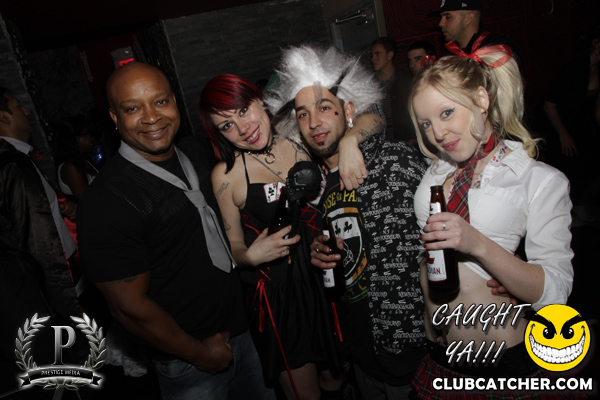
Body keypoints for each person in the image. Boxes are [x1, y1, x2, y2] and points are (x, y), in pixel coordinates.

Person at [77, 63, 274, 400]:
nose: (152, 117)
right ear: (114, 117)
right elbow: (128, 307)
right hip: (188, 360)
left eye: (160, 101)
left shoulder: (199, 152)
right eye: (133, 108)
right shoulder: (105, 200)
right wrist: (199, 353)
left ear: (174, 101)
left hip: (247, 331)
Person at [198, 73, 384, 400]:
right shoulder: (226, 176)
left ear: (260, 100)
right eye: (226, 125)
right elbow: (234, 247)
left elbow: (374, 118)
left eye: (243, 110)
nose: (242, 128)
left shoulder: (300, 134)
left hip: (326, 277)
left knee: (339, 378)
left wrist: (349, 142)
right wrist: (249, 257)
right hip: (279, 297)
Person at [408, 40, 575, 398]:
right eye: (426, 123)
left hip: (501, 366)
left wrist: (479, 245)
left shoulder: (536, 179)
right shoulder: (436, 171)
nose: (437, 134)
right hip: (438, 356)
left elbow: (555, 293)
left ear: (481, 99)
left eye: (447, 113)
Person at [268, 45, 429, 400]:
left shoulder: (393, 161)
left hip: (411, 352)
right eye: (303, 114)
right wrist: (317, 252)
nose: (314, 123)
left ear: (349, 111)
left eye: (325, 108)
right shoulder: (319, 186)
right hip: (360, 353)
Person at [0, 86, 82, 396]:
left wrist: (60, 209)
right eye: (17, 106)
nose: (26, 111)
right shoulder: (12, 164)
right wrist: (61, 301)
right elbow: (33, 242)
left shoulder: (18, 158)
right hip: (53, 284)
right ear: (3, 116)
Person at [542, 25, 600, 224]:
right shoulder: (573, 68)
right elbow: (549, 104)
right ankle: (567, 215)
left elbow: (597, 108)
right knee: (568, 167)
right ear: (596, 45)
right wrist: (563, 134)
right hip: (559, 127)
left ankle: (581, 207)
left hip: (581, 127)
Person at [371, 37, 416, 145]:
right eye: (372, 55)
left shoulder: (406, 80)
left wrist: (413, 137)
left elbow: (415, 111)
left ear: (390, 55)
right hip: (381, 141)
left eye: (378, 54)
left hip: (404, 139)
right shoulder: (370, 83)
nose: (373, 58)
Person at [53, 116, 98, 200]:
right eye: (89, 134)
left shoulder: (84, 160)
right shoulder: (69, 167)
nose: (93, 139)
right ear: (78, 138)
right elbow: (88, 200)